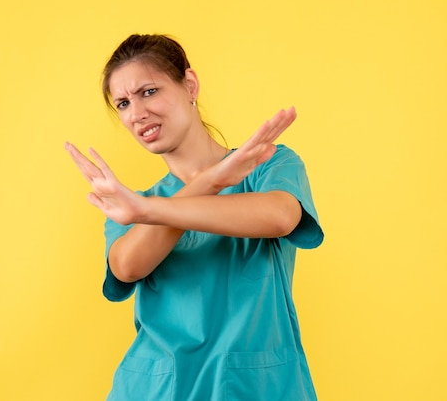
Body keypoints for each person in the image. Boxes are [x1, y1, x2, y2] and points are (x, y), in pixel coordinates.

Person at [65, 34, 324, 400]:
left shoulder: (268, 166)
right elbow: (126, 266)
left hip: (254, 388)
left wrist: (148, 212)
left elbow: (280, 217)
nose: (137, 113)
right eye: (123, 103)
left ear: (189, 85)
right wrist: (211, 181)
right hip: (156, 390)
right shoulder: (129, 204)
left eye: (149, 92)